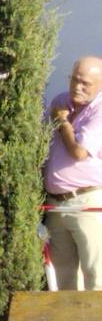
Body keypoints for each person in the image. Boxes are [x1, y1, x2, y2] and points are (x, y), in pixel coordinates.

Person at [43, 57, 102, 291]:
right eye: (74, 80)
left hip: (86, 201)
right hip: (56, 203)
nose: (77, 87)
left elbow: (78, 152)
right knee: (62, 277)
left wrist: (64, 122)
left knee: (95, 274)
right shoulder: (60, 101)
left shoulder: (99, 111)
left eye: (85, 83)